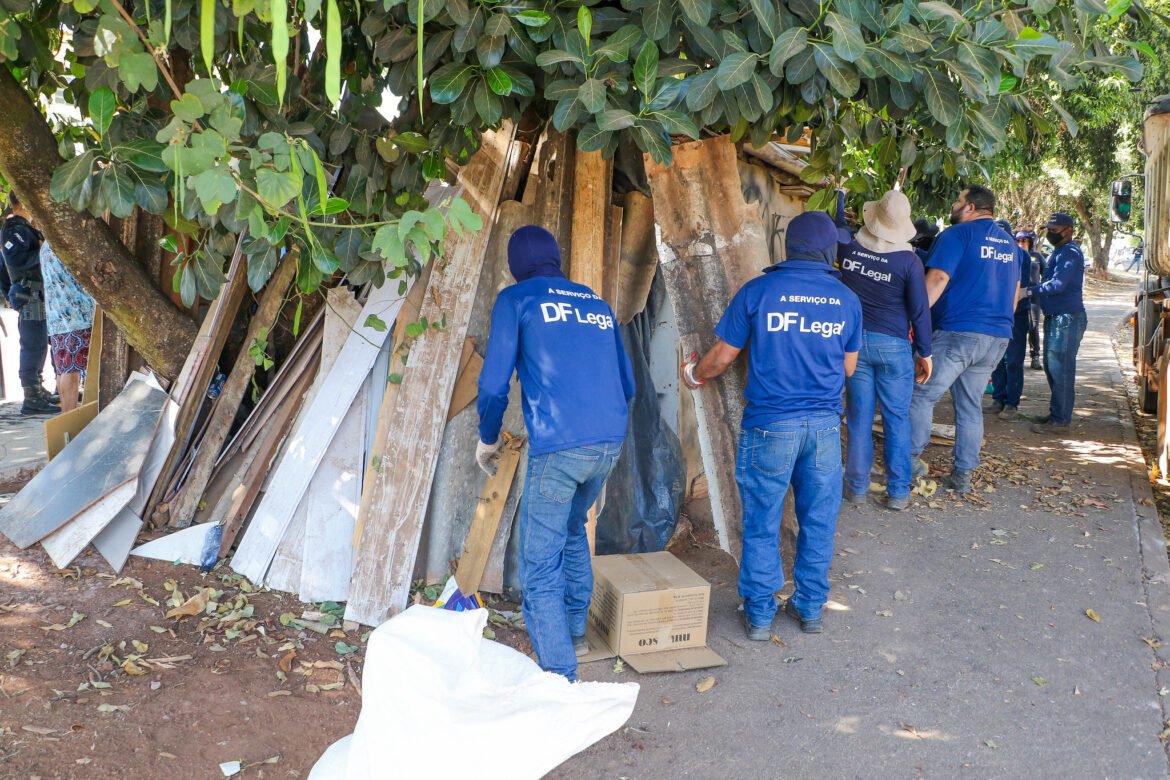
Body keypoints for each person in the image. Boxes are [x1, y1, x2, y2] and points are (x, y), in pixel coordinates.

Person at [682, 211, 861, 640]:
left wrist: (693, 374)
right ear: (827, 250)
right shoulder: (846, 299)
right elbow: (849, 368)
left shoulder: (759, 291)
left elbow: (722, 358)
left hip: (771, 425)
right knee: (818, 520)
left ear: (789, 246)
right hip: (823, 427)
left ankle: (760, 614)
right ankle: (809, 607)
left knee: (762, 520)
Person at [476, 225, 634, 682]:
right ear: (555, 258)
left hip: (560, 445)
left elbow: (493, 386)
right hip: (609, 441)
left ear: (515, 266)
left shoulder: (516, 300)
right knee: (571, 527)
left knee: (539, 563)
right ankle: (575, 632)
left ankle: (560, 676)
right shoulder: (596, 304)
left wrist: (488, 437)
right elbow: (628, 384)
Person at [909, 185, 1021, 494]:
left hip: (959, 333)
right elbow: (1014, 294)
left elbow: (937, 278)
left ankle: (907, 463)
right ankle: (962, 475)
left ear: (970, 207)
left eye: (958, 200)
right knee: (970, 405)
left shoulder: (957, 235)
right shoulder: (1010, 245)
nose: (953, 205)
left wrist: (913, 319)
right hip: (997, 336)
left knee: (921, 394)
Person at [836, 190, 932, 511]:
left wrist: (838, 197)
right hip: (893, 347)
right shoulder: (909, 261)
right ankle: (898, 492)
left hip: (854, 345)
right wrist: (925, 352)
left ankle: (857, 488)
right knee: (896, 420)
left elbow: (838, 226)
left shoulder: (848, 247)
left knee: (859, 419)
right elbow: (919, 311)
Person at [1025, 212, 1087, 433]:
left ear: (1068, 230)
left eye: (1055, 230)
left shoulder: (1070, 252)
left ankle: (1061, 420)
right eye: (1049, 230)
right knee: (1053, 367)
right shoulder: (1060, 251)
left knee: (1061, 369)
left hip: (1067, 318)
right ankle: (1056, 414)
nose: (1051, 233)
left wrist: (1027, 292)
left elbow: (1058, 284)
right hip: (1057, 316)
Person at [0, 192, 59, 415]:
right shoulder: (14, 229)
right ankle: (31, 397)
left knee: (40, 342)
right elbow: (16, 261)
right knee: (33, 343)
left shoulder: (26, 228)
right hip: (30, 293)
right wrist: (44, 250)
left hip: (36, 293)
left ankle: (38, 388)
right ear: (23, 201)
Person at [40, 242, 95, 413]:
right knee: (71, 371)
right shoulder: (64, 241)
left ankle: (66, 416)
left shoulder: (46, 246)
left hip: (58, 318)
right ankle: (69, 416)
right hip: (76, 316)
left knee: (63, 370)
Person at [988, 221, 1035, 419]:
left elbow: (1019, 285)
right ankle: (998, 398)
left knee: (1014, 360)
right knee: (996, 359)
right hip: (995, 314)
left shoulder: (1021, 255)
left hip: (1017, 313)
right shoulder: (990, 253)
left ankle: (1011, 403)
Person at [1015, 230, 1046, 370]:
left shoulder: (1036, 256)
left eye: (1024, 240)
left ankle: (1035, 356)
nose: (1021, 243)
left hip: (1033, 297)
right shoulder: (1013, 255)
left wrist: (1041, 289)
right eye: (1018, 241)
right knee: (1017, 327)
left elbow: (1047, 274)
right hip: (1017, 296)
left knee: (1033, 326)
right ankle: (1016, 357)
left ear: (1029, 242)